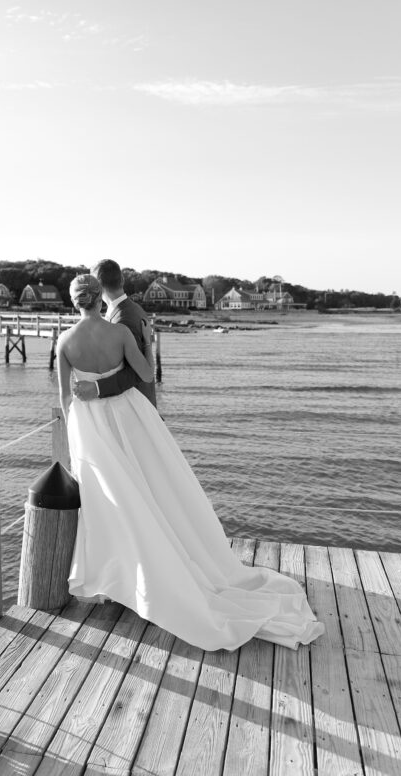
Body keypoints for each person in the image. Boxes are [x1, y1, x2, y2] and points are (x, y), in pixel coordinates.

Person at [57, 272, 324, 652]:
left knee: (114, 503)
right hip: (132, 418)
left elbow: (66, 400)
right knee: (154, 488)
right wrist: (142, 345)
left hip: (93, 428)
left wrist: (77, 434)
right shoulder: (120, 334)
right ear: (100, 298)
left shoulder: (65, 342)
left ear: (74, 302)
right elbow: (147, 374)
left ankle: (120, 577)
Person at [72, 258, 156, 408]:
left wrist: (97, 388)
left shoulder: (124, 319)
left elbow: (137, 372)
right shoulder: (132, 308)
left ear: (97, 286)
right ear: (122, 279)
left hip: (134, 410)